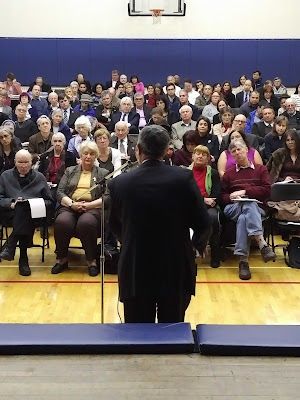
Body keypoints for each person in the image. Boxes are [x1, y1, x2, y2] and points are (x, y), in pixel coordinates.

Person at [108, 125, 211, 323]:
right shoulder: (183, 178)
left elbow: (114, 224)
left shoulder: (119, 183)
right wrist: (196, 246)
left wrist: (129, 240)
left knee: (137, 335)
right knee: (172, 333)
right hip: (175, 266)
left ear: (137, 149)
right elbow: (203, 222)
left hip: (136, 266)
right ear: (166, 150)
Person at [53, 141, 109, 276]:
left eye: (91, 154)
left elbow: (107, 197)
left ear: (95, 156)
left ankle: (91, 261)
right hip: (70, 206)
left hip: (92, 208)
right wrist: (72, 204)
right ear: (80, 155)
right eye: (85, 153)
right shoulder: (70, 171)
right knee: (62, 222)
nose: (88, 156)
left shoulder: (103, 172)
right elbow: (60, 192)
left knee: (86, 223)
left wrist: (88, 205)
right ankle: (62, 259)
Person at [221, 140, 275, 280]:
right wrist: (232, 197)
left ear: (246, 150)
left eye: (239, 149)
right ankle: (262, 243)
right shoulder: (228, 174)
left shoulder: (260, 169)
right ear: (231, 156)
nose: (237, 153)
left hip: (257, 208)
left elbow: (267, 190)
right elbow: (222, 196)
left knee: (244, 216)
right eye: (233, 151)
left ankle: (243, 261)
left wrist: (244, 192)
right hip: (233, 207)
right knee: (246, 204)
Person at [0, 150, 53, 276]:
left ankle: (11, 245)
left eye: (26, 162)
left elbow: (49, 201)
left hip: (35, 215)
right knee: (21, 210)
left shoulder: (39, 177)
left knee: (25, 209)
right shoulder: (5, 176)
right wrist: (11, 203)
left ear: (31, 163)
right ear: (15, 162)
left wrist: (34, 204)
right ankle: (23, 258)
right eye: (20, 162)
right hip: (10, 214)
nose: (23, 166)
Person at [191, 145, 221, 268]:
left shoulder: (213, 173)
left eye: (204, 154)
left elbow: (216, 194)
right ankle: (193, 252)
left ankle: (214, 254)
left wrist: (207, 201)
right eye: (197, 153)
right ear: (192, 156)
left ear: (208, 158)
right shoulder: (185, 173)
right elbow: (185, 194)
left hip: (209, 207)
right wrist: (203, 200)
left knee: (213, 219)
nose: (200, 156)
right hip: (191, 206)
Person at [38, 132, 76, 198]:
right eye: (55, 141)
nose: (57, 143)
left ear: (64, 143)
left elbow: (72, 175)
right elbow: (40, 173)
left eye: (60, 141)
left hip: (63, 187)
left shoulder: (70, 157)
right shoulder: (45, 156)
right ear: (52, 143)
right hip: (46, 185)